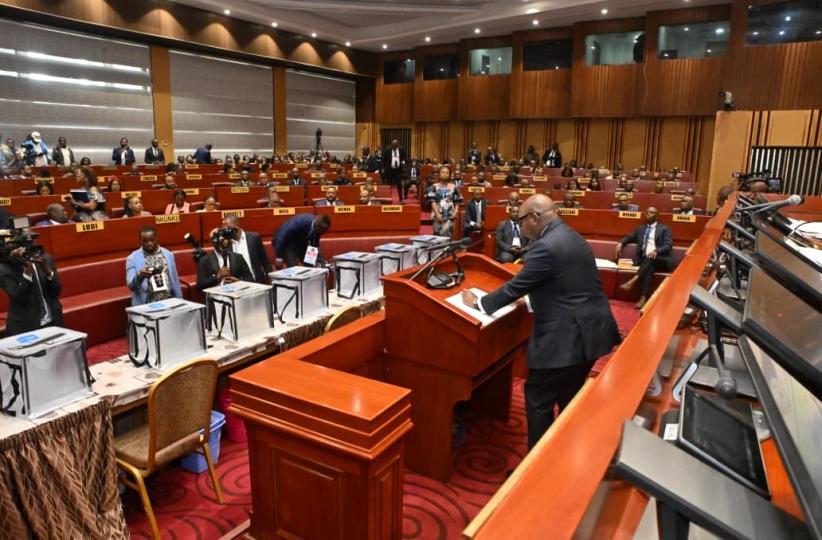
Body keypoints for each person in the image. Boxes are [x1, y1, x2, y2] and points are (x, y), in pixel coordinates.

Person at [461, 194, 619, 449]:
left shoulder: (545, 246)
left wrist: (479, 303)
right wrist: (532, 302)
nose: (520, 226)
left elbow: (515, 287)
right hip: (590, 331)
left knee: (538, 398)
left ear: (534, 217)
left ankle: (537, 464)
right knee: (570, 397)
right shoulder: (569, 235)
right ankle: (566, 453)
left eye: (522, 220)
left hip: (566, 338)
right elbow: (567, 284)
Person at [615, 207, 674, 309]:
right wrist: (621, 243)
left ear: (657, 216)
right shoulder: (641, 229)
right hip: (647, 261)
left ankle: (633, 281)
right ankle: (643, 298)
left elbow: (668, 245)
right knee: (649, 267)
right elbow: (630, 237)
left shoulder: (664, 229)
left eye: (652, 212)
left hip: (662, 260)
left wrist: (657, 251)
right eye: (647, 212)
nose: (648, 213)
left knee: (650, 258)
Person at [0, 242, 63, 336]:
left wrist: (48, 273)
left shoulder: (46, 259)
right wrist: (27, 274)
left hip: (53, 321)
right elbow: (19, 297)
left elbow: (56, 292)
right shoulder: (4, 269)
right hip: (26, 326)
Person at [126, 226, 182, 305]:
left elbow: (175, 280)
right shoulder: (132, 258)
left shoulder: (168, 254)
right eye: (145, 241)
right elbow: (131, 286)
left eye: (152, 240)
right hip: (146, 304)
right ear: (140, 241)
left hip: (168, 301)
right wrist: (139, 276)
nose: (149, 243)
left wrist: (180, 301)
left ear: (156, 238)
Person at [221, 214, 272, 284]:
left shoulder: (254, 237)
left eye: (229, 228)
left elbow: (265, 260)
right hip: (237, 284)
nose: (227, 231)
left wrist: (271, 279)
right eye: (224, 229)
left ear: (237, 225)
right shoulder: (227, 243)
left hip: (257, 282)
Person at [426, 166, 463, 237]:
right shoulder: (433, 187)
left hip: (450, 215)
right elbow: (432, 201)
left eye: (447, 172)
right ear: (439, 174)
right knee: (438, 235)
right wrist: (437, 214)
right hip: (438, 213)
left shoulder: (454, 187)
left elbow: (458, 201)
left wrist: (455, 212)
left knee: (449, 235)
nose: (445, 174)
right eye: (443, 172)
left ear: (449, 175)